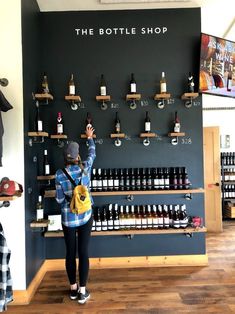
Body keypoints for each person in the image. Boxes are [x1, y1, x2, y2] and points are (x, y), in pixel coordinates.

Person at [55, 125, 96, 304]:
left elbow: (58, 199)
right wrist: (89, 137)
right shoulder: (85, 168)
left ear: (65, 157)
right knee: (84, 252)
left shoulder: (59, 174)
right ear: (78, 156)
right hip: (85, 215)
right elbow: (93, 154)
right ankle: (82, 291)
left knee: (70, 253)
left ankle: (72, 289)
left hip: (68, 218)